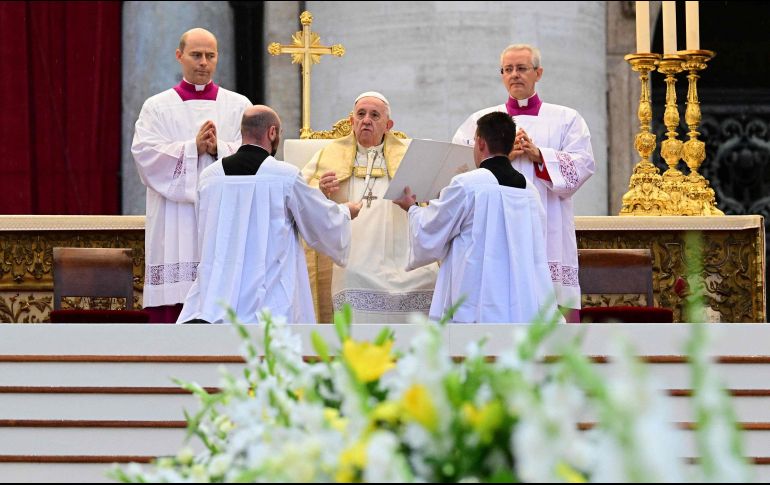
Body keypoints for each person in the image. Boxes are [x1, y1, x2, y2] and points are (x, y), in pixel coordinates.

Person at [177, 106, 361, 324]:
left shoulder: (210, 177)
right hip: (269, 303)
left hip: (215, 301)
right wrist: (345, 211)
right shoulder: (285, 176)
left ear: (243, 132)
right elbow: (319, 219)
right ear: (272, 132)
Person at [452, 44, 595, 322]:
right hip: (496, 227)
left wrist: (540, 155)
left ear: (538, 73)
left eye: (521, 68)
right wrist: (499, 157)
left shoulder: (566, 118)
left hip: (549, 227)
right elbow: (459, 167)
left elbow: (584, 164)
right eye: (508, 69)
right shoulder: (481, 121)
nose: (514, 75)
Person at [132, 28, 252, 323]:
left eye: (210, 56)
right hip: (174, 219)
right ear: (179, 56)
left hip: (222, 215)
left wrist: (219, 149)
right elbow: (145, 154)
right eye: (196, 55)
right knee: (175, 300)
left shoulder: (240, 106)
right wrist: (192, 148)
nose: (203, 62)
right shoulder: (157, 107)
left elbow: (254, 155)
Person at [394, 112, 560, 323]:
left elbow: (433, 227)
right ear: (510, 145)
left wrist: (412, 208)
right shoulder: (530, 191)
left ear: (480, 143)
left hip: (478, 298)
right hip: (521, 299)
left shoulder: (467, 184)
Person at [301, 92, 438, 323]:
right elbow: (301, 197)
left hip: (402, 253)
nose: (366, 120)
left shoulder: (408, 158)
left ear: (388, 125)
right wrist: (321, 191)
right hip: (352, 252)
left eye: (375, 115)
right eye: (361, 114)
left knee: (429, 277)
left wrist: (415, 203)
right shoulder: (328, 156)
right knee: (350, 276)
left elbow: (431, 202)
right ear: (351, 121)